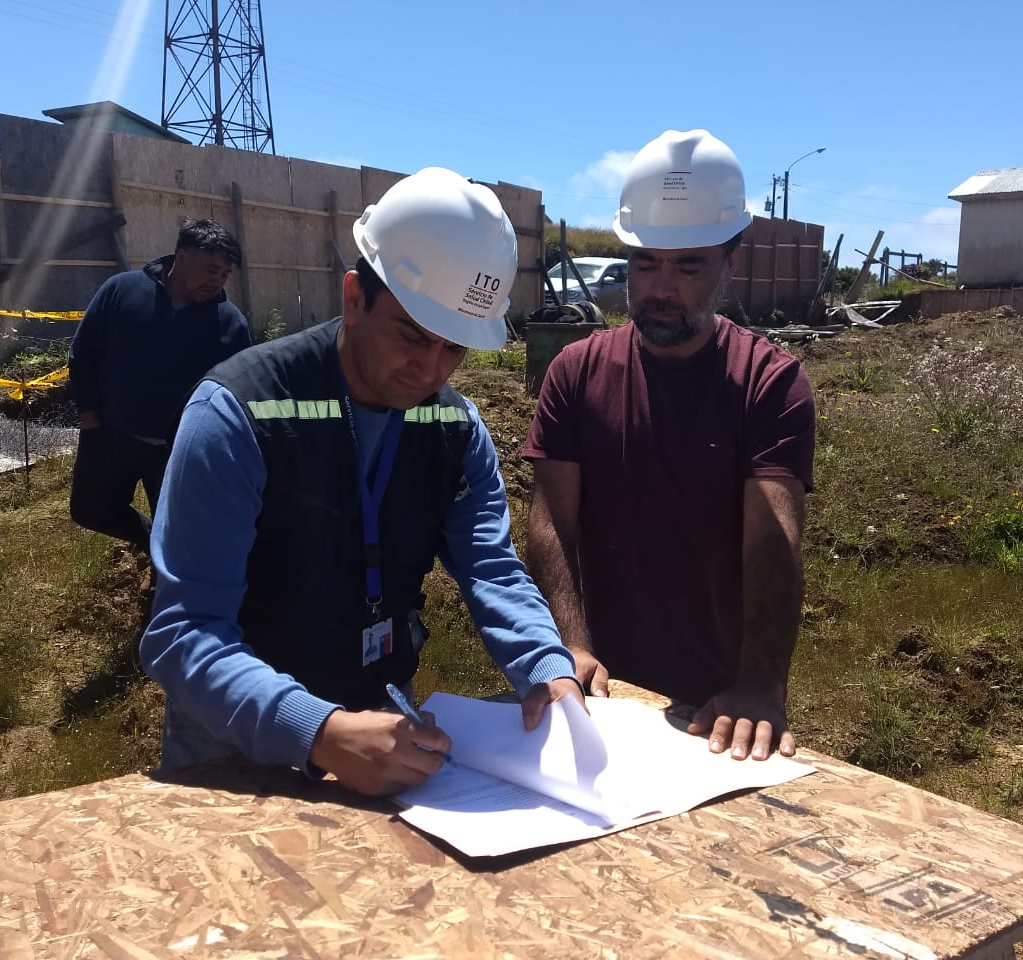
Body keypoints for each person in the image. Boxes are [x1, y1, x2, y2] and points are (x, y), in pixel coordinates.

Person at [140, 167, 583, 797]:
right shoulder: (239, 412)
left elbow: (490, 566)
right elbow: (184, 633)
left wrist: (544, 665)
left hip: (383, 730)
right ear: (355, 297)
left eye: (454, 348)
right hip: (233, 749)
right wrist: (319, 731)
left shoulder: (453, 427)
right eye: (412, 336)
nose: (429, 370)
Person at [522, 129, 816, 762]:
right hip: (598, 692)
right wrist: (568, 644)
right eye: (646, 262)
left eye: (688, 266)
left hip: (718, 710)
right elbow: (551, 523)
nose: (661, 287)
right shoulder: (575, 372)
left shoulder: (768, 382)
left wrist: (760, 685)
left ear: (728, 264)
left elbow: (772, 540)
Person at [68, 218, 252, 553]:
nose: (217, 281)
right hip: (111, 435)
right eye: (210, 269)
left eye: (225, 274)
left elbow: (239, 393)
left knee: (183, 532)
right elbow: (84, 353)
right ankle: (151, 539)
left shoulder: (229, 324)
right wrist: (90, 419)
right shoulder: (122, 291)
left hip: (179, 450)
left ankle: (165, 562)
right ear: (181, 257)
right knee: (90, 510)